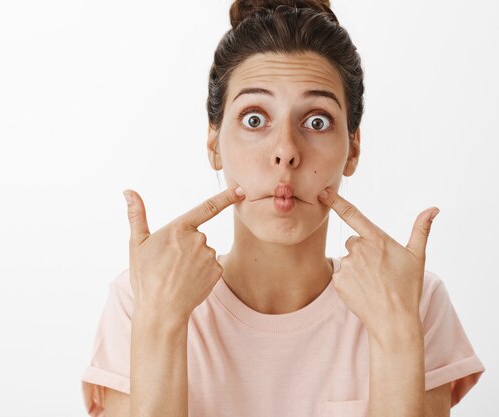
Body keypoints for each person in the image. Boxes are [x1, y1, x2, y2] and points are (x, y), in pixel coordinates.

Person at [81, 1, 485, 416]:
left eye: (316, 121)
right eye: (255, 119)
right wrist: (159, 325)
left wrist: (397, 332)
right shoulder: (144, 296)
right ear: (213, 143)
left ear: (353, 148)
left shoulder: (412, 299)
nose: (286, 152)